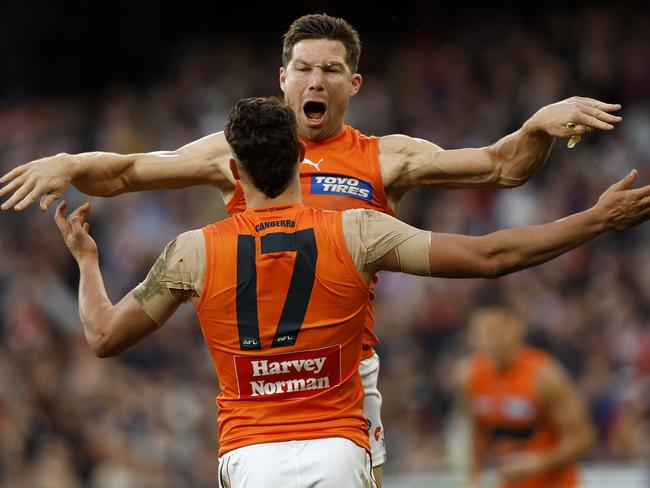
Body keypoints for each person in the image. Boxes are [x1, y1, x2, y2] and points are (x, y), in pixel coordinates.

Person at [2, 14, 623, 484]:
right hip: (262, 368)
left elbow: (501, 167)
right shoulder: (236, 152)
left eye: (329, 69)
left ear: (352, 83)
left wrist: (537, 126)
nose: (314, 79)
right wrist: (70, 160)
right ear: (283, 78)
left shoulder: (386, 156)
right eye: (302, 67)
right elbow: (128, 171)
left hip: (347, 369)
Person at [456, 306, 595, 488]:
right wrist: (473, 476)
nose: (492, 340)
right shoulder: (470, 376)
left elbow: (584, 439)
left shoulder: (544, 376)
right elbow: (479, 430)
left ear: (516, 332)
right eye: (484, 333)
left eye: (498, 331)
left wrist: (539, 462)